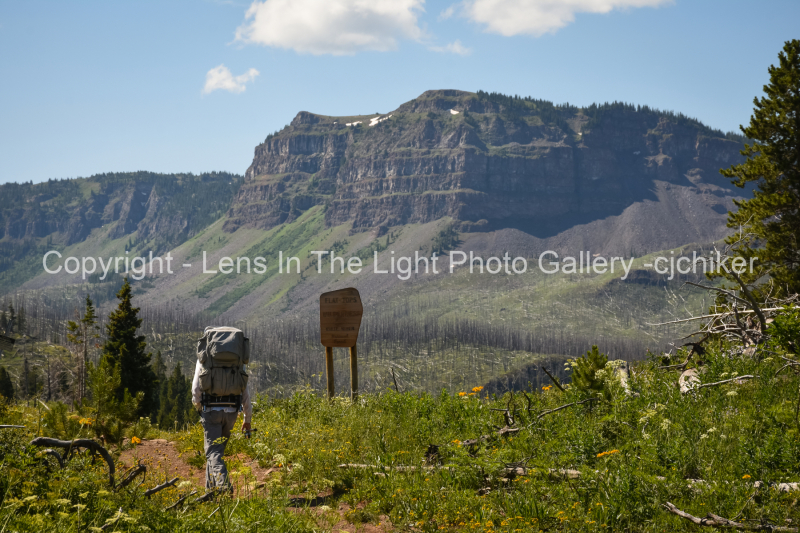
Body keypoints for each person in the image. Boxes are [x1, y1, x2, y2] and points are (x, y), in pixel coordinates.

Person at [192, 326, 252, 493]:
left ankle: (223, 485)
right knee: (216, 452)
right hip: (232, 412)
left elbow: (196, 389)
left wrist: (198, 407)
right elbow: (245, 391)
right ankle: (210, 492)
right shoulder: (237, 361)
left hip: (211, 411)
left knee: (212, 453)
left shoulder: (204, 360)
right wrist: (247, 420)